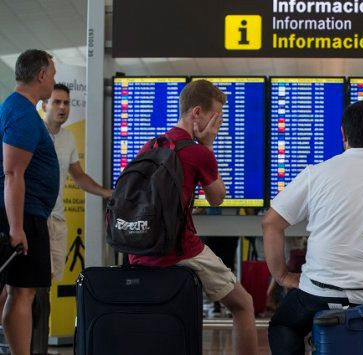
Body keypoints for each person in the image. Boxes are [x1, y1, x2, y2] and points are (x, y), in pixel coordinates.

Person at [262, 100, 363, 355]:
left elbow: (271, 223)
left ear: (343, 133)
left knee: (283, 326)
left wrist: (282, 276)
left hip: (321, 294)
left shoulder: (316, 174)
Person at [128, 80, 258, 355]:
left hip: (138, 252)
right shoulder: (198, 152)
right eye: (217, 117)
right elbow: (217, 198)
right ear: (197, 113)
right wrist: (207, 145)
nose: (218, 126)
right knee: (243, 304)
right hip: (179, 251)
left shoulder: (151, 145)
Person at [29, 83, 114, 354]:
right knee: (31, 288)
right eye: (57, 102)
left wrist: (106, 193)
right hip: (34, 218)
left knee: (45, 285)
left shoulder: (67, 138)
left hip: (57, 221)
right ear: (45, 105)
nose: (63, 107)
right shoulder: (32, 133)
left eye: (66, 103)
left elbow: (78, 175)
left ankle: (34, 345)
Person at [0, 49, 59, 355]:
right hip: (24, 215)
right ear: (41, 75)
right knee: (21, 292)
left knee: (18, 291)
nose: (53, 80)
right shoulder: (21, 112)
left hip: (26, 213)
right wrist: (16, 226)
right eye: (53, 73)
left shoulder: (18, 109)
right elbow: (12, 172)